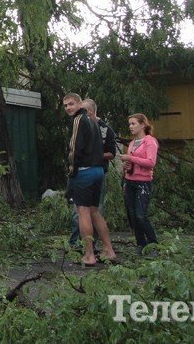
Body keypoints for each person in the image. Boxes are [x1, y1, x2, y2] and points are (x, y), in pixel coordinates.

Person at [63, 93, 116, 266]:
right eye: (65, 105)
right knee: (94, 211)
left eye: (71, 104)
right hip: (98, 170)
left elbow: (74, 148)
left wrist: (71, 171)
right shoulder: (94, 122)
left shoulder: (79, 119)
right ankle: (108, 250)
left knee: (83, 212)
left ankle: (89, 255)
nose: (68, 108)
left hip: (84, 171)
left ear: (80, 104)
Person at [119, 113, 159, 254]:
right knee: (132, 215)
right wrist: (127, 165)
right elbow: (133, 162)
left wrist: (131, 158)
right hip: (130, 180)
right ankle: (141, 244)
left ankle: (153, 244)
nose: (130, 126)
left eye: (133, 123)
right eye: (129, 124)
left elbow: (150, 162)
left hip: (143, 182)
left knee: (141, 215)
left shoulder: (150, 141)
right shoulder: (132, 143)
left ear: (142, 125)